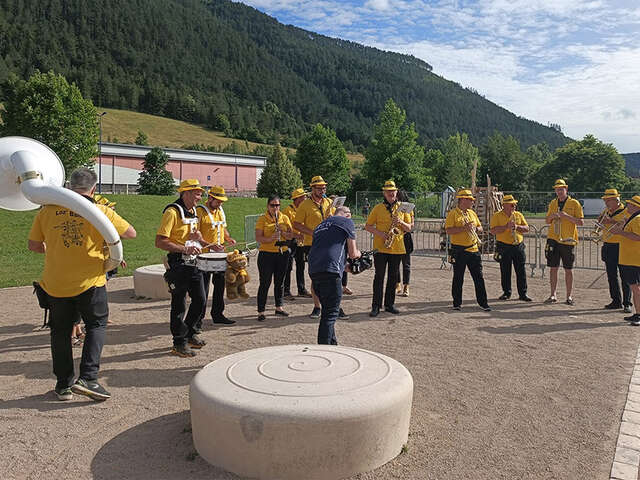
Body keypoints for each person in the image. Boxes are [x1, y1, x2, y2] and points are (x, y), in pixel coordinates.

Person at [28, 167, 136, 401]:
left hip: (55, 283)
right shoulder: (101, 210)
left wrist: (56, 248)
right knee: (96, 325)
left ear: (69, 187)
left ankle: (63, 385)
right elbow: (131, 233)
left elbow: (34, 246)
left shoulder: (47, 211)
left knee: (60, 332)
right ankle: (88, 378)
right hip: (91, 282)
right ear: (94, 188)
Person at [156, 179, 207, 358]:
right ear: (185, 193)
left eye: (200, 193)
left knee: (200, 300)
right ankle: (179, 342)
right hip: (178, 263)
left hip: (193, 262)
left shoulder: (193, 212)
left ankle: (190, 332)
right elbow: (160, 241)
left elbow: (193, 236)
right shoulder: (172, 212)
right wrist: (184, 248)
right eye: (197, 193)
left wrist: (207, 243)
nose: (200, 197)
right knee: (178, 305)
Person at [308, 206, 360, 345]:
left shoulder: (321, 225)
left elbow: (328, 253)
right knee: (330, 316)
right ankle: (324, 350)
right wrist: (361, 255)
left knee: (327, 312)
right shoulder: (346, 222)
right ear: (347, 215)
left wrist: (345, 267)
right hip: (331, 274)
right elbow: (353, 253)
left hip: (315, 271)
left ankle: (333, 346)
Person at [364, 180, 412, 317]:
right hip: (381, 247)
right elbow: (368, 226)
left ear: (397, 192)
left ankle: (389, 304)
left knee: (393, 277)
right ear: (384, 193)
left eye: (393, 191)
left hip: (397, 248)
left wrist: (401, 222)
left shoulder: (403, 208)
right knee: (379, 277)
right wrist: (381, 234)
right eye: (388, 191)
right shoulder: (378, 208)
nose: (391, 193)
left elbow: (409, 228)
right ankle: (376, 306)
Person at [293, 175, 335, 318]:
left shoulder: (329, 202)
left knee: (331, 276)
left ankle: (331, 306)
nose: (323, 190)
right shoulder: (304, 205)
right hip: (312, 244)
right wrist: (313, 232)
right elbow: (296, 224)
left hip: (329, 244)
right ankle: (317, 307)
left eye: (324, 187)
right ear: (312, 189)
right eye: (319, 188)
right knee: (316, 277)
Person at [196, 185, 236, 328]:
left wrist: (228, 238)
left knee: (220, 286)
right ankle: (198, 319)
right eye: (218, 201)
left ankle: (218, 314)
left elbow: (222, 228)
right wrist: (209, 245)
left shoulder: (220, 211)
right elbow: (195, 235)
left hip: (219, 255)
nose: (220, 203)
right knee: (203, 289)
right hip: (204, 255)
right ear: (210, 198)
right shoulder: (199, 212)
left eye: (221, 201)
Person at [445, 189, 491, 311]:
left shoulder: (472, 213)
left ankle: (483, 303)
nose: (472, 202)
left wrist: (476, 228)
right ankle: (457, 303)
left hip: (473, 249)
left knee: (479, 277)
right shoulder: (453, 213)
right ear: (463, 200)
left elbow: (480, 227)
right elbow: (448, 230)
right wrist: (463, 228)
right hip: (459, 250)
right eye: (470, 200)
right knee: (458, 277)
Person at [544, 179, 584, 305]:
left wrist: (566, 216)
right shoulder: (553, 203)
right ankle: (552, 294)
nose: (559, 191)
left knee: (568, 269)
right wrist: (553, 216)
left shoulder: (574, 203)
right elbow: (547, 220)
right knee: (553, 268)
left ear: (566, 189)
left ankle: (569, 296)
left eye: (561, 189)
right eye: (557, 189)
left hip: (568, 240)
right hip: (553, 239)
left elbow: (581, 222)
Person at [255, 195, 294, 322]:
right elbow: (258, 237)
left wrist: (282, 233)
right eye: (272, 205)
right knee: (265, 282)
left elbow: (290, 235)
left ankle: (279, 307)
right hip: (266, 254)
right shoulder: (262, 219)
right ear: (268, 206)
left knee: (280, 282)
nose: (275, 208)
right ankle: (261, 311)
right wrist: (270, 239)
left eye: (277, 205)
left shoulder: (284, 218)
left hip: (282, 253)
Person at [489, 194, 532, 302]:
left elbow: (527, 228)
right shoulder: (497, 216)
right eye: (511, 204)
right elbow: (493, 230)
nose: (514, 206)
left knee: (521, 270)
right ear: (504, 205)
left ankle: (523, 294)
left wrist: (517, 227)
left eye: (514, 204)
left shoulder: (518, 215)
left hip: (518, 245)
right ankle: (506, 292)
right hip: (504, 246)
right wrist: (505, 227)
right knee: (505, 270)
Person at [599, 189, 632, 313]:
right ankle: (615, 300)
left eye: (608, 200)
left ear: (616, 200)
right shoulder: (606, 211)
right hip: (608, 245)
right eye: (605, 200)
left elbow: (627, 225)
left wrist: (611, 221)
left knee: (625, 276)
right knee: (611, 275)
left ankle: (627, 303)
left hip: (621, 245)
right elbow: (601, 223)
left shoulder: (626, 212)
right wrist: (600, 221)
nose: (606, 203)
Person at [611, 195, 640, 325]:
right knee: (635, 288)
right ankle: (637, 313)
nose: (627, 206)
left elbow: (637, 237)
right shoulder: (633, 218)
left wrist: (620, 232)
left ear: (635, 206)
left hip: (633, 259)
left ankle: (639, 315)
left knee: (636, 288)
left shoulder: (638, 219)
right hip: (630, 258)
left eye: (629, 204)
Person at [282, 187, 307, 300]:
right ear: (297, 199)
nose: (305, 199)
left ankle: (301, 289)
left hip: (301, 242)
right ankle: (285, 291)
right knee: (288, 267)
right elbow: (285, 229)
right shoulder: (288, 211)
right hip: (290, 241)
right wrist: (296, 235)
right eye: (303, 197)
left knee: (301, 266)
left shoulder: (304, 209)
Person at [395, 190, 414, 297]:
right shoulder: (393, 209)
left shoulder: (409, 210)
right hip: (396, 237)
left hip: (406, 237)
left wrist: (402, 224)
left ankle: (406, 286)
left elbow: (411, 225)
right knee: (395, 263)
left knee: (406, 264)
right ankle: (397, 284)